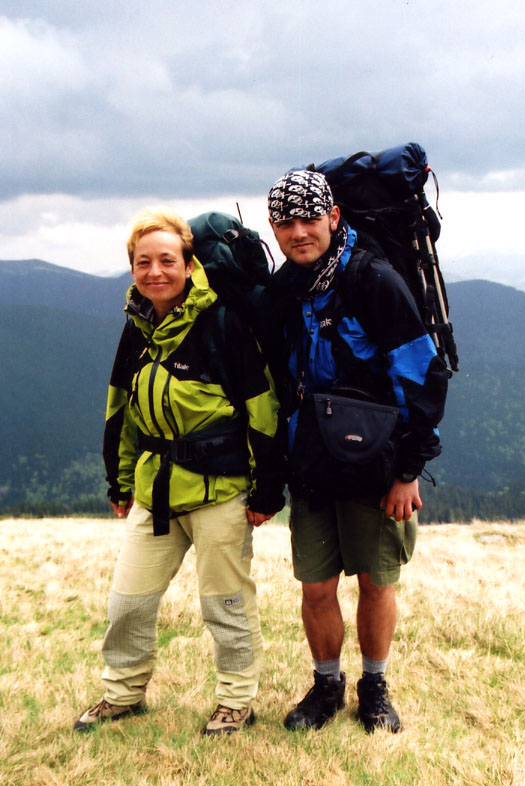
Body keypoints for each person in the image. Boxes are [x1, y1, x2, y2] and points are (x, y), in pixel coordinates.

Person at [74, 207, 285, 736]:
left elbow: (262, 410)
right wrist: (120, 481)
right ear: (133, 269)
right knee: (128, 600)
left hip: (221, 490)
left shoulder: (223, 323)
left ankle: (236, 701)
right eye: (144, 262)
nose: (155, 272)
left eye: (167, 260)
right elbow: (121, 411)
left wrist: (267, 489)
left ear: (189, 266)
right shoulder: (137, 327)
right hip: (156, 490)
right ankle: (123, 695)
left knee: (226, 604)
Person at [267, 170, 448, 733]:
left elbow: (423, 374)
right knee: (316, 586)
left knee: (376, 580)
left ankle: (374, 687)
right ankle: (327, 686)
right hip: (313, 462)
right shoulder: (285, 288)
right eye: (286, 222)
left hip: (378, 463)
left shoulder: (373, 280)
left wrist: (409, 470)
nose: (298, 232)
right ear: (273, 227)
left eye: (309, 218)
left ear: (334, 216)